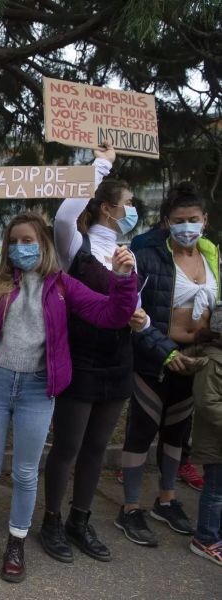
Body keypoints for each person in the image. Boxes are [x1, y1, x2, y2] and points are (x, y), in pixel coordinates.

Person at [0, 195, 137, 583]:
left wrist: (124, 279)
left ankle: (16, 542)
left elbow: (111, 314)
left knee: (26, 472)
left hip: (37, 389)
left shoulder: (63, 285)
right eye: (14, 241)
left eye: (28, 240)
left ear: (44, 245)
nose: (20, 248)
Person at [39, 143, 137, 563]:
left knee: (97, 445)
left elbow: (134, 307)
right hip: (80, 359)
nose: (133, 211)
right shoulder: (74, 245)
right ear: (106, 208)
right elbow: (63, 215)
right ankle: (52, 520)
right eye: (128, 204)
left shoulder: (128, 254)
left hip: (118, 362)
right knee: (68, 445)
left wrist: (143, 320)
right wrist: (101, 164)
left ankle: (81, 519)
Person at [116, 182, 218, 546]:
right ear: (166, 222)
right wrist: (166, 353)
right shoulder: (149, 257)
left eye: (193, 220)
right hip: (153, 359)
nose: (187, 227)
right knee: (141, 433)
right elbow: (134, 312)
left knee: (177, 435)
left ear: (204, 221)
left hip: (194, 361)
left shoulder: (212, 258)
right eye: (179, 221)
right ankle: (129, 507)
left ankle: (167, 499)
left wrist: (201, 356)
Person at [187, 316, 222, 567]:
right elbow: (207, 402)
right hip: (215, 441)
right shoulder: (212, 363)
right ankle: (205, 538)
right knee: (215, 491)